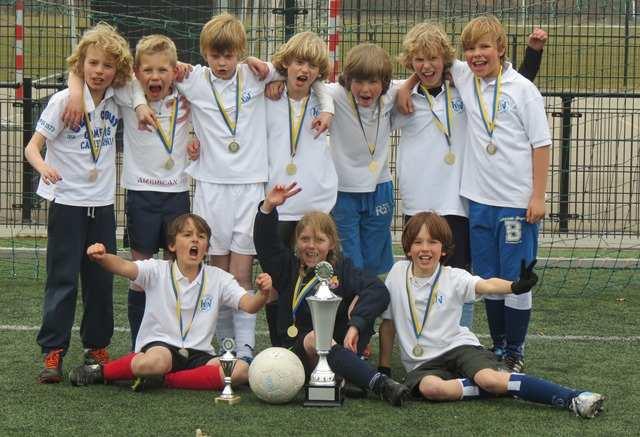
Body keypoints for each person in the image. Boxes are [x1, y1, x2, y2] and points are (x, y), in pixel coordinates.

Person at [132, 13, 332, 363]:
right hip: (210, 188)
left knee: (241, 274)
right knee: (218, 273)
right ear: (205, 53)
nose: (223, 63)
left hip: (250, 188)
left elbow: (311, 76)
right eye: (215, 56)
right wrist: (138, 101)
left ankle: (245, 351)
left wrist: (324, 106)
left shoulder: (257, 73)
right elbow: (143, 74)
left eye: (230, 56)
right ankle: (223, 351)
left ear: (241, 52)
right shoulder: (191, 78)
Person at [392, 23, 547, 330]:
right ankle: (421, 335)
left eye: (434, 59)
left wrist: (534, 53)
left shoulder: (464, 82)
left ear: (447, 62)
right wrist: (406, 86)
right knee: (422, 273)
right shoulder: (401, 96)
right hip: (421, 201)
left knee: (464, 275)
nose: (427, 66)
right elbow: (364, 92)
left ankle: (462, 337)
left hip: (460, 202)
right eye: (418, 61)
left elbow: (511, 87)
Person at [379, 212, 605, 418]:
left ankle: (573, 397)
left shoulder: (454, 277)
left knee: (489, 379)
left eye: (432, 242)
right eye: (418, 242)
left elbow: (486, 285)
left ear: (443, 249)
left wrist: (515, 287)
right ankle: (505, 385)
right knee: (431, 389)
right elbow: (388, 325)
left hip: (459, 348)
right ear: (408, 248)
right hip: (422, 364)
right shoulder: (397, 273)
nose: (425, 248)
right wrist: (384, 369)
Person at [65, 34, 195, 350]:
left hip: (177, 194)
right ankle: (140, 344)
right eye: (147, 70)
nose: (155, 77)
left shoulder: (188, 90)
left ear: (174, 70)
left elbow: (226, 77)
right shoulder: (126, 93)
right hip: (141, 196)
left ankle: (175, 341)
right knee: (140, 274)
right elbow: (78, 70)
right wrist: (74, 92)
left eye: (163, 70)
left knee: (176, 272)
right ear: (136, 72)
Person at [24, 23, 133, 383]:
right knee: (63, 279)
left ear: (116, 72)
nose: (99, 71)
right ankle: (53, 352)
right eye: (93, 64)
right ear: (81, 64)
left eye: (107, 66)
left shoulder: (118, 99)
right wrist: (44, 168)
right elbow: (31, 148)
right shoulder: (62, 101)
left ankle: (97, 346)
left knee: (101, 280)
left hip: (101, 207)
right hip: (67, 203)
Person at [448, 15, 551, 371]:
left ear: (501, 49)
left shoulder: (523, 90)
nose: (476, 55)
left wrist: (537, 197)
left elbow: (541, 145)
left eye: (484, 47)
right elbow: (429, 56)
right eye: (470, 49)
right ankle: (499, 345)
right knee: (488, 279)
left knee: (516, 278)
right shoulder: (464, 76)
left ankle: (516, 351)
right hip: (478, 202)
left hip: (515, 205)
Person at [68, 213, 272, 391]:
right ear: (172, 245)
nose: (195, 240)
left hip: (199, 355)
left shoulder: (219, 278)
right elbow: (124, 266)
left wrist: (262, 293)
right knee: (156, 362)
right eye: (187, 235)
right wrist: (102, 257)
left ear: (206, 248)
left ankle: (167, 381)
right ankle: (101, 372)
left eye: (201, 237)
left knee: (240, 371)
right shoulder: (157, 270)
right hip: (161, 347)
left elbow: (249, 305)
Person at [253, 183, 410, 406]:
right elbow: (265, 244)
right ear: (297, 242)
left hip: (334, 348)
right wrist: (268, 207)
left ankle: (349, 376)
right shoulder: (286, 265)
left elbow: (378, 291)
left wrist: (356, 323)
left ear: (332, 243)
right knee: (313, 338)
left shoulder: (342, 269)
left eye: (319, 240)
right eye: (305, 239)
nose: (311, 246)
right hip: (289, 353)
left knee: (325, 332)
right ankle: (375, 382)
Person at [263, 31, 338, 346]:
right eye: (297, 63)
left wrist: (328, 107)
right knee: (276, 282)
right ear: (286, 65)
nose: (303, 70)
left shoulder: (324, 99)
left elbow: (326, 89)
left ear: (319, 72)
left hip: (315, 204)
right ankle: (278, 345)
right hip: (279, 205)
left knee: (319, 279)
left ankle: (318, 343)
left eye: (311, 65)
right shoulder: (268, 95)